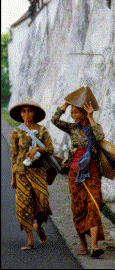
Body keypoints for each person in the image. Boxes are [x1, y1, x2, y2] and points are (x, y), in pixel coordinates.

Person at [51, 86, 105, 258]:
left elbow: (100, 137)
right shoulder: (71, 128)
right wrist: (67, 103)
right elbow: (54, 119)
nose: (73, 115)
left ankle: (94, 245)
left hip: (93, 172)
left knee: (94, 205)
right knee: (78, 208)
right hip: (74, 172)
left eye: (76, 112)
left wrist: (91, 117)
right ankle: (83, 245)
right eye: (72, 112)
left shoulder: (94, 127)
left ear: (84, 112)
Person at [9, 99, 54, 250]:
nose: (27, 114)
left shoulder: (42, 131)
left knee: (43, 203)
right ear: (20, 114)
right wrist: (13, 177)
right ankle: (30, 241)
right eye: (23, 111)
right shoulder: (16, 132)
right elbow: (13, 157)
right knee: (24, 205)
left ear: (34, 113)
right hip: (22, 173)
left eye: (29, 110)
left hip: (39, 172)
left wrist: (37, 150)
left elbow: (50, 149)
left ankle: (38, 225)